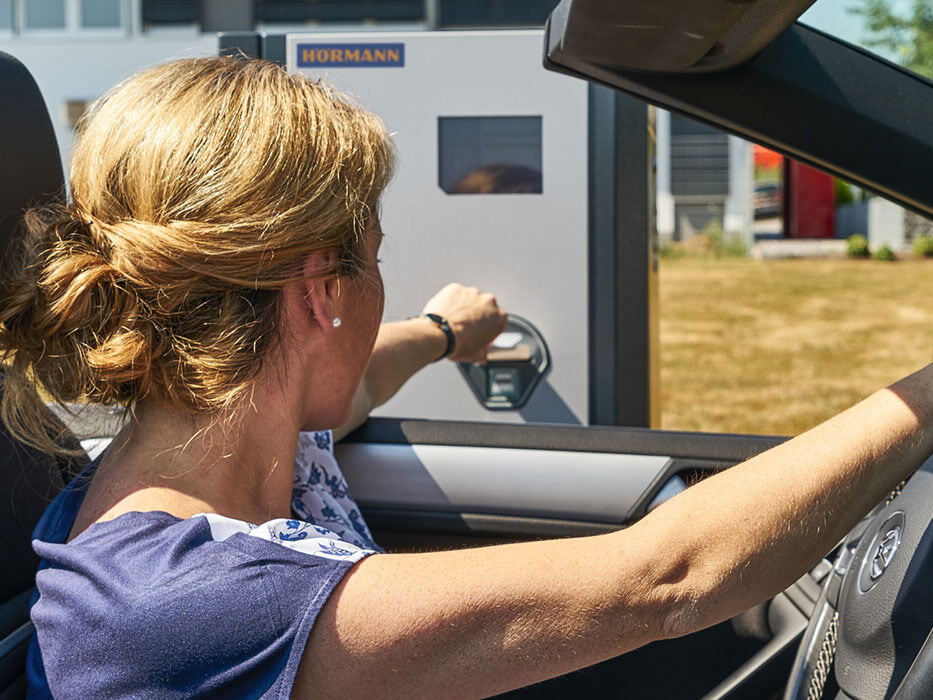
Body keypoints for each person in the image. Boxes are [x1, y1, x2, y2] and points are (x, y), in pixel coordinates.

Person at [1, 56, 931, 699]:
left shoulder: (219, 444)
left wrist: (446, 332)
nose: (380, 284)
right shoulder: (183, 604)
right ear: (322, 292)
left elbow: (353, 385)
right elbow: (669, 576)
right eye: (372, 255)